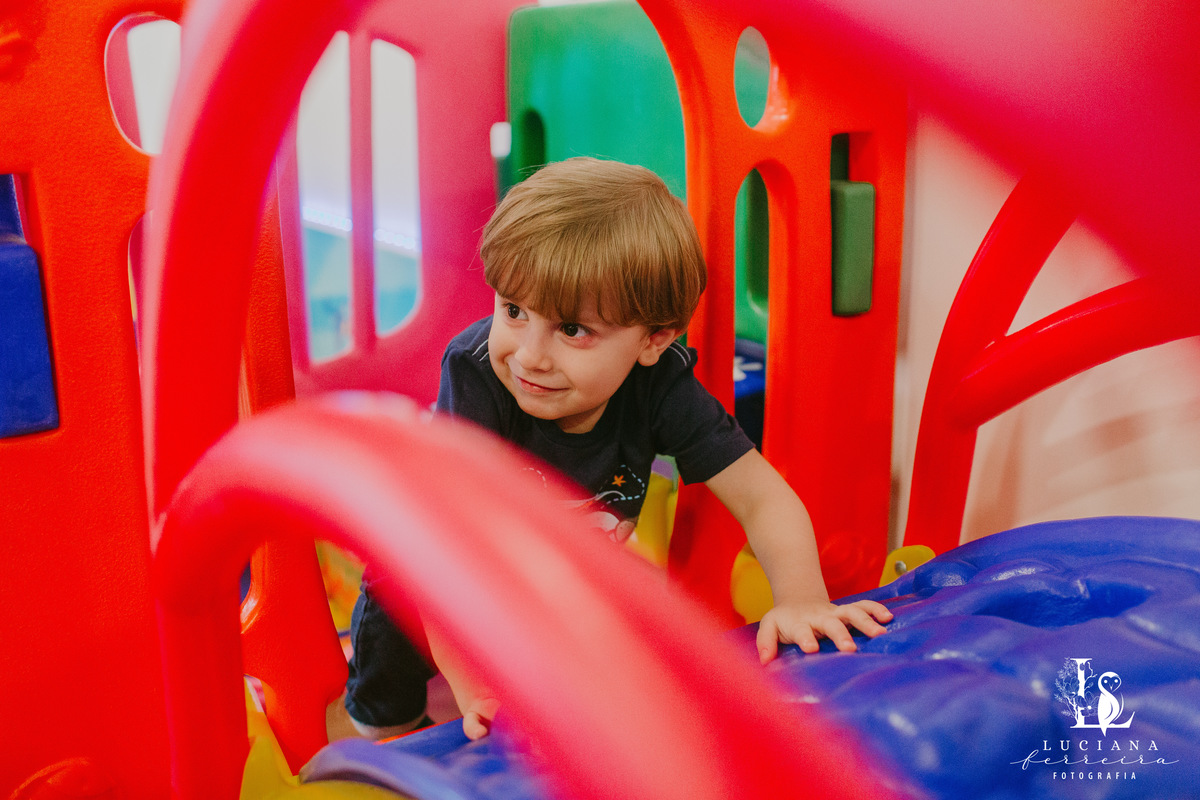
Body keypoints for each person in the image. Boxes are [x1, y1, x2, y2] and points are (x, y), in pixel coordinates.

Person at [345, 156, 893, 740]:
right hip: (434, 557)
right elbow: (441, 549)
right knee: (394, 670)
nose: (529, 355)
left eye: (572, 330)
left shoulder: (661, 387)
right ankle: (382, 724)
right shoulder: (479, 372)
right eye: (513, 310)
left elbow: (762, 497)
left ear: (654, 339)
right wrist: (473, 685)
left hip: (554, 569)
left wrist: (804, 600)